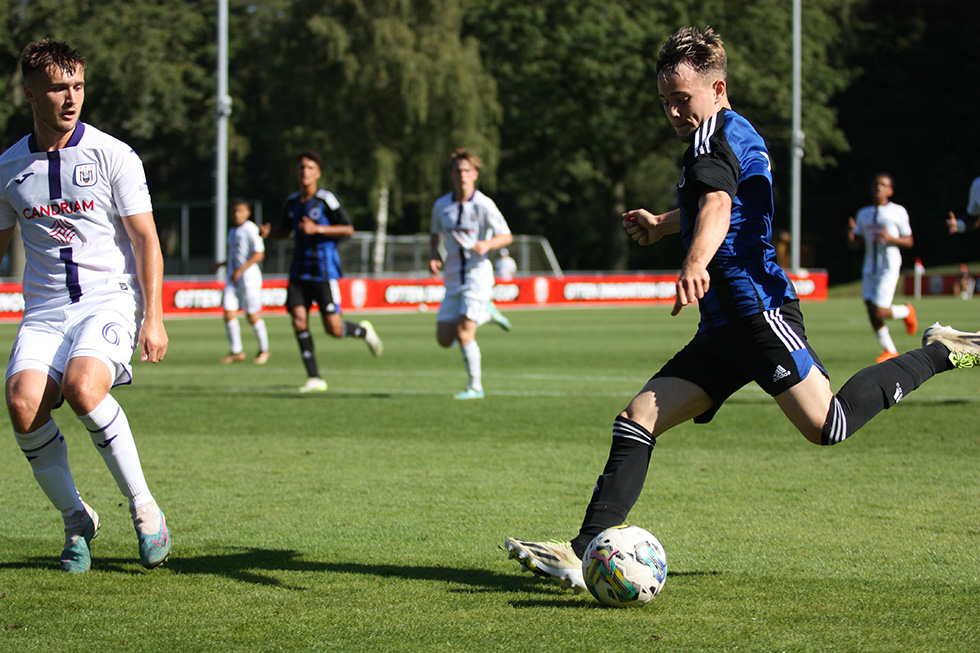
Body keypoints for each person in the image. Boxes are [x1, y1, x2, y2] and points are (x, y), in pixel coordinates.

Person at [504, 26, 980, 593]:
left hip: (758, 313)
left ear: (718, 87)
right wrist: (662, 224)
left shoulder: (715, 137)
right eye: (665, 103)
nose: (674, 112)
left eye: (682, 99)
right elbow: (715, 200)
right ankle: (583, 554)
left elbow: (718, 204)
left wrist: (694, 260)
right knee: (638, 418)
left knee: (829, 425)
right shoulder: (726, 136)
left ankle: (943, 351)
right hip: (723, 325)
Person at [0, 39, 172, 573]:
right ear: (31, 93)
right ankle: (77, 520)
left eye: (77, 86)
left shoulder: (113, 154)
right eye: (57, 87)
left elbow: (145, 239)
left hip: (108, 301)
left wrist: (154, 316)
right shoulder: (7, 167)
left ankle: (145, 510)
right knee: (23, 404)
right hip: (46, 311)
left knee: (82, 387)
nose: (70, 98)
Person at [260, 150, 382, 392]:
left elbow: (347, 228)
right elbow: (287, 231)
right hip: (298, 272)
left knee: (334, 329)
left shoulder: (327, 200)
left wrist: (318, 230)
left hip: (324, 272)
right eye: (301, 168)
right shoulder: (292, 203)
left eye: (309, 167)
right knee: (298, 320)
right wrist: (270, 234)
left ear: (318, 172)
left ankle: (362, 331)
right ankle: (315, 377)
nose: (304, 171)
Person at [429, 148, 513, 399]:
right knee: (444, 338)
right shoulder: (442, 205)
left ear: (475, 174)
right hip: (453, 277)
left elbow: (506, 235)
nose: (462, 175)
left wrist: (487, 244)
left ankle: (475, 387)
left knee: (465, 332)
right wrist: (434, 254)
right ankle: (486, 313)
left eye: (467, 170)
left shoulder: (484, 204)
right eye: (458, 170)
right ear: (452, 175)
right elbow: (435, 232)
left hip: (478, 275)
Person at [847, 173, 917, 363]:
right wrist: (851, 236)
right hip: (869, 266)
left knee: (879, 311)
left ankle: (907, 311)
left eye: (883, 185)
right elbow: (857, 244)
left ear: (890, 191)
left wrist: (892, 239)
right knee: (871, 309)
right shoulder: (863, 213)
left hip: (889, 264)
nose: (879, 188)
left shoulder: (898, 211)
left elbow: (909, 240)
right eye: (876, 184)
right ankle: (890, 350)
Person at [217, 198, 269, 364]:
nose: (236, 214)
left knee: (252, 315)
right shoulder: (233, 231)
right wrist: (221, 265)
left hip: (248, 279)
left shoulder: (251, 229)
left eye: (240, 211)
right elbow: (235, 256)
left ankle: (264, 350)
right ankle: (237, 351)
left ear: (248, 212)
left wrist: (240, 269)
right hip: (233, 279)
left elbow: (259, 254)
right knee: (228, 313)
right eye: (234, 211)